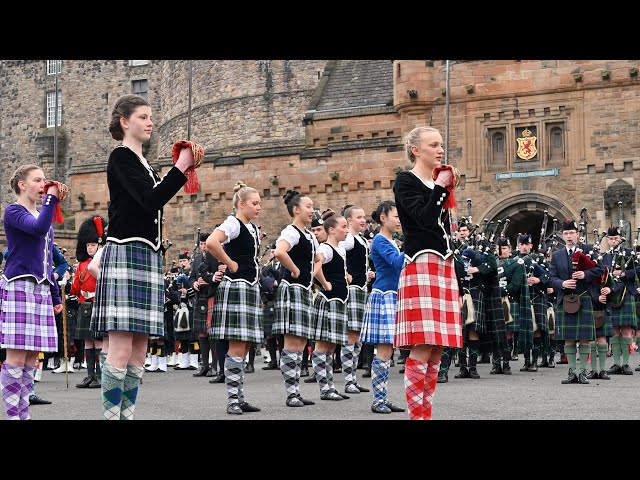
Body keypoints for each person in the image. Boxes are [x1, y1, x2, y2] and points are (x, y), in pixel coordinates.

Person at [91, 94, 196, 420]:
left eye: (151, 116)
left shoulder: (144, 164)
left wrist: (175, 170)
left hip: (146, 255)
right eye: (143, 116)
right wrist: (181, 167)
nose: (150, 122)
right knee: (121, 348)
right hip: (126, 252)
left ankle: (126, 416)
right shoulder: (120, 157)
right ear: (125, 121)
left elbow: (151, 199)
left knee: (138, 351)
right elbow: (151, 201)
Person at [392, 126, 463, 420]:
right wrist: (440, 189)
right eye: (434, 145)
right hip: (421, 263)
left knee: (436, 348)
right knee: (422, 344)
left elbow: (443, 228)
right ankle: (416, 416)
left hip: (443, 264)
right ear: (416, 150)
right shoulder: (405, 181)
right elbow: (422, 220)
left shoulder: (435, 182)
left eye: (442, 144)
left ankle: (426, 413)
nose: (440, 150)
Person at [0, 164, 63, 420]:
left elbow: (48, 260)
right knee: (15, 357)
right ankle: (14, 416)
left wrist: (56, 296)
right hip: (19, 285)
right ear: (22, 185)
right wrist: (52, 198)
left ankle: (23, 415)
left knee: (29, 359)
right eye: (37, 180)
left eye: (45, 180)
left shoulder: (42, 216)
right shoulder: (13, 211)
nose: (43, 184)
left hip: (42, 289)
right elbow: (36, 228)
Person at [206, 181, 263, 415]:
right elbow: (211, 242)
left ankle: (239, 397)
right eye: (255, 203)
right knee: (237, 345)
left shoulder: (250, 227)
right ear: (242, 204)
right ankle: (232, 400)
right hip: (237, 286)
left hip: (248, 287)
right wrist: (229, 263)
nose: (259, 207)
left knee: (245, 345)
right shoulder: (234, 223)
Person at [272, 190, 318, 407]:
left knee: (300, 343)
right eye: (308, 206)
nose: (312, 210)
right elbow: (279, 252)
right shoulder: (291, 231)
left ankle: (296, 392)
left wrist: (322, 280)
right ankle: (291, 394)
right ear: (296, 209)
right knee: (292, 343)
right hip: (292, 289)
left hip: (304, 290)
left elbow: (317, 260)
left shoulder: (308, 235)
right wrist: (294, 269)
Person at [359, 200, 405, 414]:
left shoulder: (389, 240)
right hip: (385, 295)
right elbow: (397, 263)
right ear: (383, 218)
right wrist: (413, 243)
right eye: (396, 216)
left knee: (389, 350)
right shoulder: (379, 240)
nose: (399, 220)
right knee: (385, 349)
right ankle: (378, 400)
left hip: (392, 295)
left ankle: (382, 398)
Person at [549, 219, 603, 385]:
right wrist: (563, 283)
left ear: (578, 235)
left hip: (584, 297)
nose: (569, 236)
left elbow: (600, 270)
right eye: (565, 233)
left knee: (584, 338)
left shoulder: (588, 250)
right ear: (562, 236)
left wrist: (585, 275)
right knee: (569, 339)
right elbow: (552, 278)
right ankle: (572, 372)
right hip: (566, 299)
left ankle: (582, 373)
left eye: (571, 233)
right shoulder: (557, 255)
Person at [310, 210, 351, 401]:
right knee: (322, 345)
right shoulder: (325, 249)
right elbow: (315, 269)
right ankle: (324, 388)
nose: (346, 230)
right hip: (329, 300)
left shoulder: (340, 249)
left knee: (331, 346)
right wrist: (325, 284)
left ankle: (330, 386)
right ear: (332, 230)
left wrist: (345, 277)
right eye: (344, 227)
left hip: (339, 301)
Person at [340, 204, 373, 395]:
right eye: (359, 217)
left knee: (357, 337)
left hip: (360, 289)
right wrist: (344, 273)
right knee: (351, 336)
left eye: (364, 217)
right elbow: (336, 254)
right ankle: (348, 380)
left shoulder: (358, 239)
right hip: (352, 291)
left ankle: (352, 378)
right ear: (349, 220)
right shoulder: (350, 239)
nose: (363, 220)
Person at [71, 216, 107, 389]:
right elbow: (76, 288)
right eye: (87, 245)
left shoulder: (102, 261)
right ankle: (90, 376)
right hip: (84, 304)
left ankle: (100, 376)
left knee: (99, 341)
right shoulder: (81, 265)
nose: (89, 248)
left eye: (92, 245)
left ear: (99, 245)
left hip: (97, 302)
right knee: (88, 341)